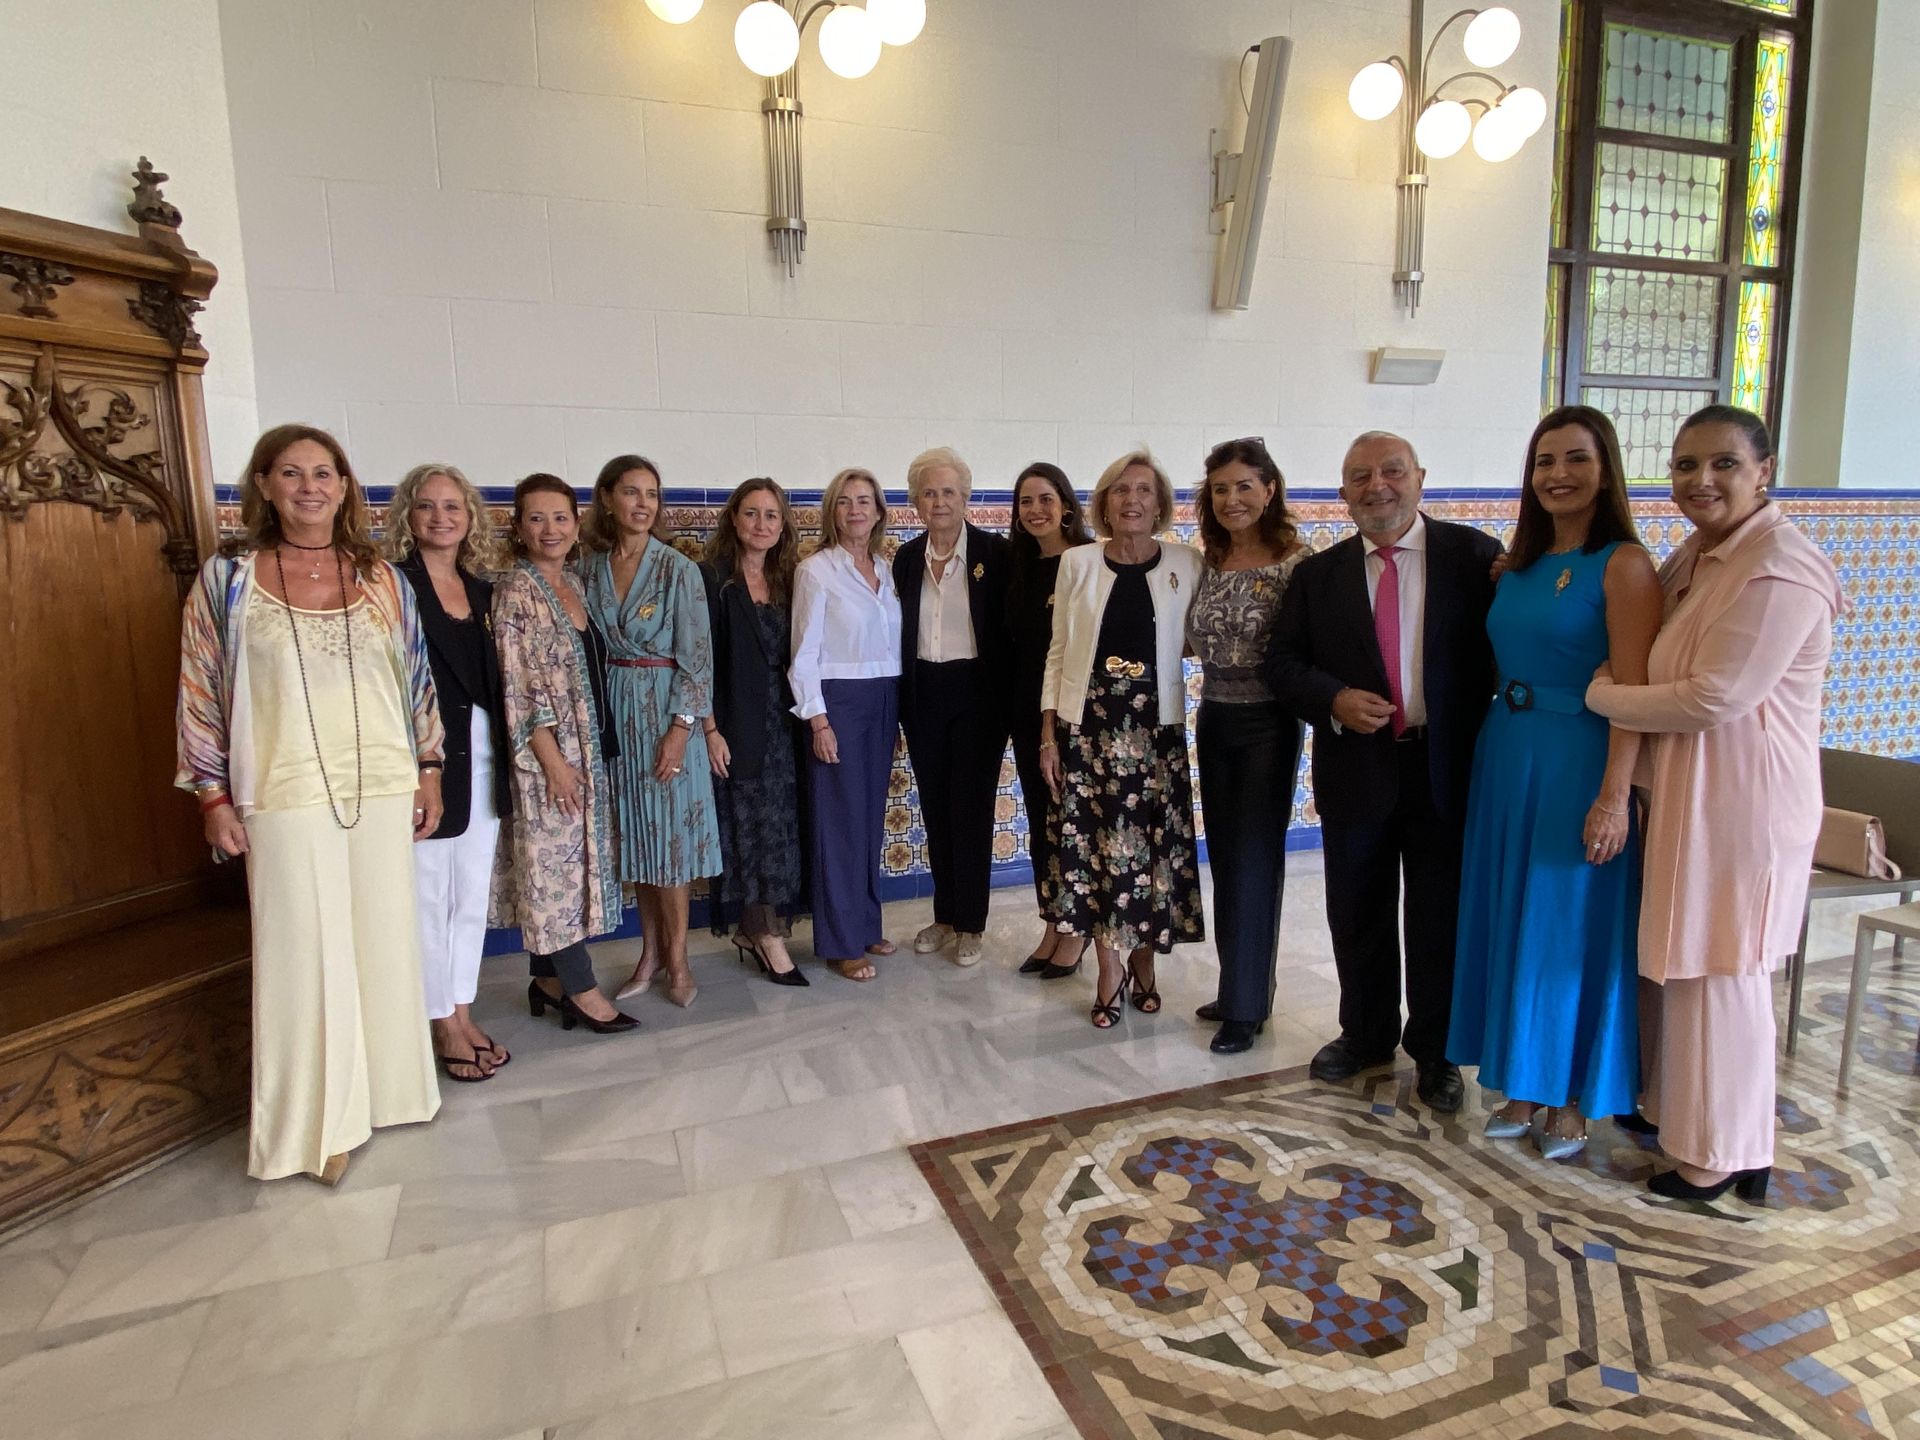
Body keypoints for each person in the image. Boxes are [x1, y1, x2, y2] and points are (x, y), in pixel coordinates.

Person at [1586, 404, 1843, 1202]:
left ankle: (1724, 1154)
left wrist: (1603, 696)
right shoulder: (1699, 557)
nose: (1702, 481)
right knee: (1683, 960)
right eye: (1686, 466)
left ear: (1763, 470)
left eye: (1724, 464)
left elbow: (1714, 696)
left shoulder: (1779, 569)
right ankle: (1684, 1117)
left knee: (1724, 965)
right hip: (1696, 789)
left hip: (1746, 799)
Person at [176, 424, 443, 1184]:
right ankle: (313, 1128)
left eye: (324, 473)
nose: (309, 487)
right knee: (302, 954)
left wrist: (430, 770)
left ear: (345, 485)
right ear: (262, 485)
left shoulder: (383, 577)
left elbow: (416, 681)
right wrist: (211, 795)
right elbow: (197, 693)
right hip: (283, 789)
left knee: (383, 940)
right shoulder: (228, 579)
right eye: (290, 473)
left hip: (382, 783)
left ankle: (391, 1094)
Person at [1264, 430, 1501, 1113]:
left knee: (1438, 916)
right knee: (1358, 910)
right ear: (1342, 495)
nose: (1378, 487)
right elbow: (1282, 665)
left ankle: (1436, 1050)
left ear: (1420, 477)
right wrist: (1331, 698)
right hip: (1356, 767)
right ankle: (1365, 1033)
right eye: (1360, 477)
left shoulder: (1475, 557)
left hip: (1444, 768)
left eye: (1391, 471)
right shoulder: (1319, 575)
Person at [1447, 408, 1662, 1156]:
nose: (1558, 475)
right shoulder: (1522, 562)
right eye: (1544, 462)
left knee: (1570, 922)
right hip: (1507, 751)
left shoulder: (1625, 564)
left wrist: (1613, 796)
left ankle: (1575, 1093)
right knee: (1517, 915)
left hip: (1579, 755)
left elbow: (1633, 690)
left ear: (1606, 470)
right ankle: (1526, 1078)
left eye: (1576, 458)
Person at [1039, 450, 1205, 1030]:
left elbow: (1195, 639)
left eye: (1143, 490)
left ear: (1159, 502)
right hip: (1089, 732)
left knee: (1151, 859)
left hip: (1154, 733)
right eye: (1119, 490)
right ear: (1104, 502)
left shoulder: (1188, 561)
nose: (1131, 499)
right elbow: (1059, 651)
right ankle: (1110, 972)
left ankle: (1146, 965)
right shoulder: (1078, 563)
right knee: (1099, 857)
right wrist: (1047, 735)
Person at [493, 473, 636, 1035]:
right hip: (549, 759)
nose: (549, 529)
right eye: (536, 518)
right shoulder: (516, 591)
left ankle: (547, 981)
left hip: (589, 748)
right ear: (519, 527)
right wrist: (552, 762)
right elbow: (517, 686)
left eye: (559, 517)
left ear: (576, 523)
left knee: (569, 870)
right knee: (555, 870)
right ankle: (582, 990)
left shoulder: (573, 583)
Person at [387, 462, 515, 1083]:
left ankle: (462, 1007)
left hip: (485, 755)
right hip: (429, 756)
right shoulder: (392, 586)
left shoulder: (484, 591)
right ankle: (440, 1022)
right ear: (408, 517)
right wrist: (420, 763)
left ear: (470, 520)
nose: (441, 518)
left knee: (470, 898)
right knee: (428, 896)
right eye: (427, 507)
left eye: (453, 507)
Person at [582, 455, 722, 1009]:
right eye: (631, 492)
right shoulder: (589, 568)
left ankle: (680, 959)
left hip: (666, 713)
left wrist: (682, 728)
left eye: (652, 494)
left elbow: (698, 658)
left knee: (671, 846)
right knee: (637, 841)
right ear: (609, 499)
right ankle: (649, 953)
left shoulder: (677, 569)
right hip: (614, 712)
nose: (643, 504)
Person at [1186, 437, 1311, 1055]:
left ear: (1268, 489)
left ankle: (1247, 1006)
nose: (1231, 499)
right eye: (1219, 489)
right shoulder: (1206, 559)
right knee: (1228, 858)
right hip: (1214, 717)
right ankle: (1239, 986)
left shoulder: (1298, 562)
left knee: (1257, 858)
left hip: (1269, 721)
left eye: (1243, 486)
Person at [893, 447, 1013, 966]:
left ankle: (972, 923)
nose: (938, 501)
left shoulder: (995, 553)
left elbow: (1007, 635)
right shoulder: (904, 557)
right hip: (924, 693)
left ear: (965, 497)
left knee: (971, 807)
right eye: (928, 492)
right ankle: (945, 915)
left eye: (948, 491)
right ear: (916, 502)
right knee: (936, 806)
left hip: (978, 695)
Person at [790, 466, 903, 982]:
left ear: (879, 511)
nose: (855, 510)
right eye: (844, 501)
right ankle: (840, 941)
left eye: (865, 501)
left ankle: (866, 922)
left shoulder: (887, 568)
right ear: (832, 512)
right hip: (839, 700)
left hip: (885, 696)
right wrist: (818, 720)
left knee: (870, 816)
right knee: (839, 821)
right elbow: (803, 654)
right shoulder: (816, 571)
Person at [702, 478, 810, 985]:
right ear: (734, 519)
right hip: (736, 725)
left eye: (771, 515)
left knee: (780, 831)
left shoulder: (791, 580)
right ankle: (765, 934)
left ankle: (759, 929)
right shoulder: (712, 579)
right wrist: (709, 729)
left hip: (785, 727)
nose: (761, 524)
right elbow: (697, 662)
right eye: (751, 514)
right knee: (747, 832)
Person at [1006, 462, 1092, 977]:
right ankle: (1052, 922)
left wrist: (1054, 720)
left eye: (1045, 499)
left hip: (1072, 713)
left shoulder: (1087, 562)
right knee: (1042, 823)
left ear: (1065, 504)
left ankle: (1077, 929)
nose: (1035, 511)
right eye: (1025, 502)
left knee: (1072, 824)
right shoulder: (1018, 565)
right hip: (1025, 711)